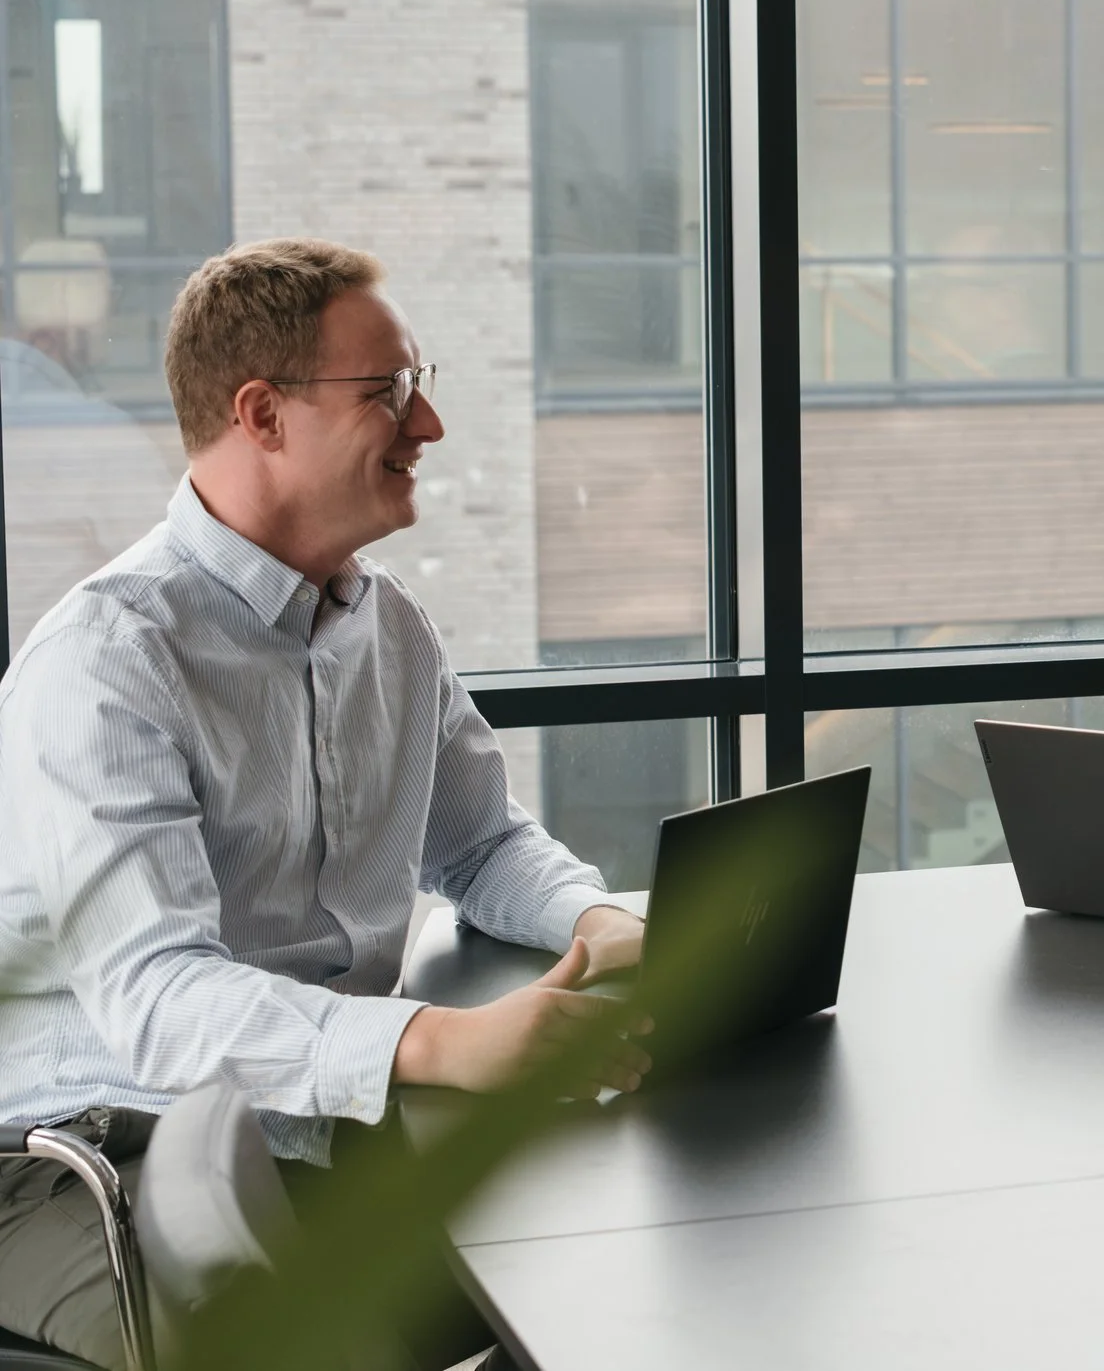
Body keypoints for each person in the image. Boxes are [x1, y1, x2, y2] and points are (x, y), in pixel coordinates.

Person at [0, 238, 652, 1367]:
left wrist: (599, 920)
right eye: (390, 392)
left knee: (607, 1290)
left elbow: (483, 841)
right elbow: (159, 1003)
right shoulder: (106, 662)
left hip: (316, 1124)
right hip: (90, 1155)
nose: (429, 426)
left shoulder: (386, 624)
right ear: (262, 412)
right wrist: (443, 1039)